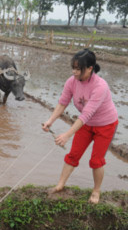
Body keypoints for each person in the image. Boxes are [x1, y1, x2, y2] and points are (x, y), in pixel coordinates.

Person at [42, 49, 118, 204]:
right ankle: (60, 185)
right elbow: (63, 102)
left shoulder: (100, 86)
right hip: (86, 124)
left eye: (78, 69)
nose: (74, 72)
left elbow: (86, 114)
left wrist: (67, 134)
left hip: (105, 125)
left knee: (96, 160)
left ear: (90, 68)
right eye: (73, 68)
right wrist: (50, 120)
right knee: (73, 155)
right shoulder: (72, 81)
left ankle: (96, 191)